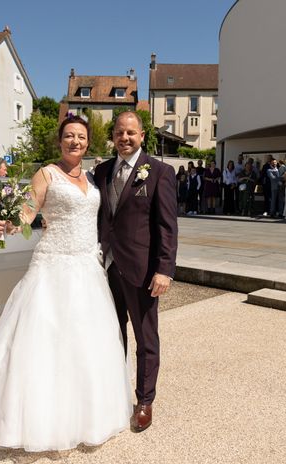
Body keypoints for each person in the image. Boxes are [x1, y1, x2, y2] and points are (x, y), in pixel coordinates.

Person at [0, 115, 132, 459]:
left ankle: (85, 414)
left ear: (88, 142)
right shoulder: (46, 174)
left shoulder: (93, 178)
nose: (75, 141)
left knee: (85, 342)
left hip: (87, 269)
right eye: (69, 136)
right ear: (59, 141)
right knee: (42, 342)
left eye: (81, 137)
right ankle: (31, 420)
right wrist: (9, 223)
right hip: (52, 266)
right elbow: (28, 213)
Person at [93, 111, 178, 433]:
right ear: (113, 136)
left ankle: (145, 400)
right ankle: (112, 394)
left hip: (142, 271)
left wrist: (164, 269)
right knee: (111, 336)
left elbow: (167, 226)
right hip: (103, 269)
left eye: (131, 133)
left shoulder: (159, 172)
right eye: (119, 132)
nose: (124, 138)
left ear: (142, 136)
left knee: (145, 338)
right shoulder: (101, 172)